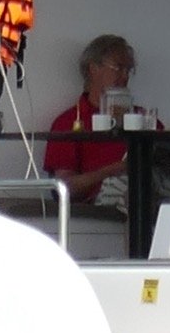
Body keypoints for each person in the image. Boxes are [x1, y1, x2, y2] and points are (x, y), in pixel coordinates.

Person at [43, 32, 146, 207]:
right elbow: (65, 187)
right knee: (127, 185)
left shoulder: (141, 116)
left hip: (150, 187)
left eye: (128, 70)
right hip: (99, 200)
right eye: (118, 68)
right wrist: (115, 169)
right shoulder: (68, 121)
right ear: (93, 68)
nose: (125, 76)